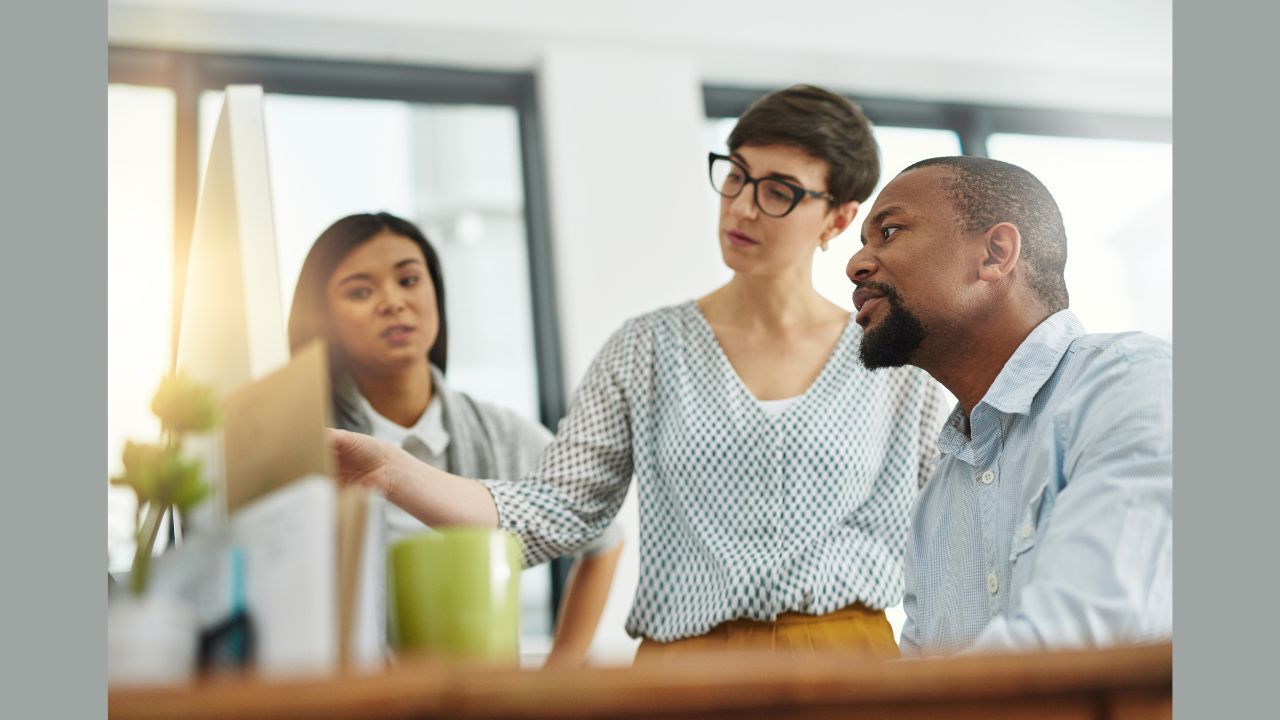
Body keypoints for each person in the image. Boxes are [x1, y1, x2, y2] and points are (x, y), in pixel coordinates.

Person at [327, 86, 951, 662]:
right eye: (735, 176)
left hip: (846, 663)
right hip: (683, 668)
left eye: (777, 190)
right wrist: (389, 469)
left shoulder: (891, 358)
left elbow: (950, 541)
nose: (742, 207)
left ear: (838, 218)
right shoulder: (646, 349)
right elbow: (555, 510)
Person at [846, 156, 1173, 654]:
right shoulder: (938, 501)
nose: (856, 265)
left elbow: (1080, 647)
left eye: (889, 231)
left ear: (996, 253)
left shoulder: (1133, 384)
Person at [288, 212, 624, 668]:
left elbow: (603, 535)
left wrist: (558, 675)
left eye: (408, 279)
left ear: (436, 294)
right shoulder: (304, 442)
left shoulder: (500, 434)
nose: (392, 302)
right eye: (360, 291)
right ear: (323, 317)